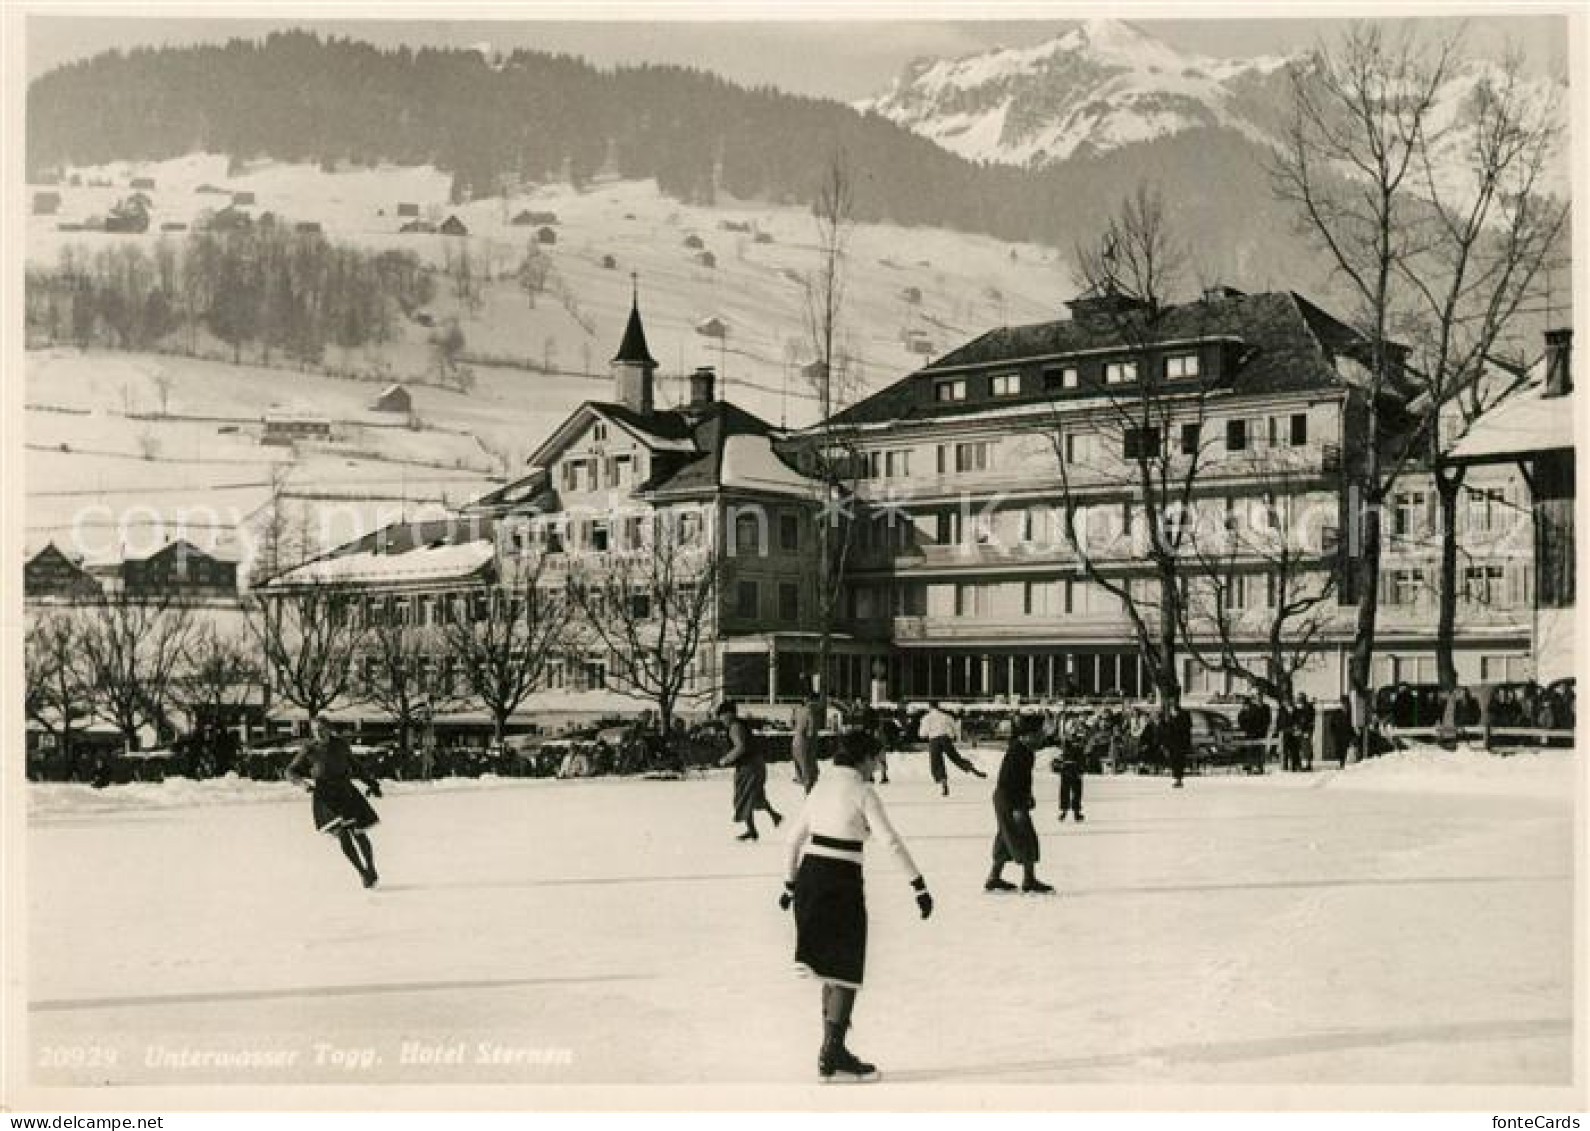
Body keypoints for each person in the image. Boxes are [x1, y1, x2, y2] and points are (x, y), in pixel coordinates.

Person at [780, 729, 932, 1082]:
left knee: (827, 967)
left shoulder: (820, 786)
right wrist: (918, 885)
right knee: (846, 969)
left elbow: (791, 841)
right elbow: (890, 841)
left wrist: (789, 886)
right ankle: (832, 1052)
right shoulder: (862, 791)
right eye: (876, 760)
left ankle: (832, 1048)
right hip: (840, 881)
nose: (877, 768)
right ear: (863, 758)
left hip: (809, 878)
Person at [285, 716, 384, 888]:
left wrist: (372, 784)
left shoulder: (341, 745)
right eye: (315, 730)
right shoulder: (309, 748)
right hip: (325, 796)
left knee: (359, 832)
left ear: (329, 729)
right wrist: (303, 784)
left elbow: (356, 767)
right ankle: (362, 872)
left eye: (322, 730)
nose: (319, 734)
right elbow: (290, 771)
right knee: (343, 835)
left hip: (346, 791)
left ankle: (371, 867)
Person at [985, 713, 1052, 893]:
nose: (1041, 738)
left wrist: (1028, 796)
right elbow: (1009, 781)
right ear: (1028, 735)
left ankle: (994, 877)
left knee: (1006, 836)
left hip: (1007, 797)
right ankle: (1029, 880)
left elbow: (1023, 780)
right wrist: (1017, 806)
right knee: (1025, 836)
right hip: (1009, 798)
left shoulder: (1024, 750)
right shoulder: (1019, 751)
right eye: (1038, 735)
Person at [717, 700, 782, 841]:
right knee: (754, 796)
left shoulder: (735, 727)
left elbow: (740, 747)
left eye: (721, 716)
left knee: (743, 797)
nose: (721, 719)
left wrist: (726, 759)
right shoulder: (740, 724)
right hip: (755, 764)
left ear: (729, 714)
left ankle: (753, 830)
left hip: (749, 766)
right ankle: (774, 816)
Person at [919, 702, 986, 797]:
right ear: (938, 707)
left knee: (936, 763)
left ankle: (944, 783)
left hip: (934, 740)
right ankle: (972, 769)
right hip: (945, 739)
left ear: (929, 707)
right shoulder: (946, 716)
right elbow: (954, 729)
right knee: (955, 758)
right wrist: (952, 736)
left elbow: (922, 734)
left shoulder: (926, 718)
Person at [791, 693, 822, 792]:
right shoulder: (811, 712)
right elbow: (811, 731)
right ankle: (809, 792)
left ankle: (802, 780)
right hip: (805, 742)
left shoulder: (798, 710)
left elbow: (792, 723)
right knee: (808, 768)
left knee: (801, 766)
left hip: (795, 740)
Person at [1163, 699, 1191, 788]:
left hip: (1181, 742)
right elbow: (1167, 728)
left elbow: (1186, 727)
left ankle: (1178, 779)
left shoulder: (1184, 714)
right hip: (1172, 742)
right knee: (1174, 760)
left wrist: (1175, 719)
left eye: (1172, 704)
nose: (1171, 706)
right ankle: (1177, 778)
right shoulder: (1169, 715)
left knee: (1179, 760)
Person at [1294, 693, 1317, 771]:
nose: (1299, 701)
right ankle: (1300, 764)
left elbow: (1311, 720)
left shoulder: (1309, 708)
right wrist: (1297, 728)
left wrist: (1308, 731)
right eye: (1299, 699)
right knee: (1299, 748)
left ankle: (1308, 764)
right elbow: (1295, 719)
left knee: (1307, 748)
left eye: (1301, 699)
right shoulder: (1297, 709)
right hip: (1299, 731)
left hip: (1306, 731)